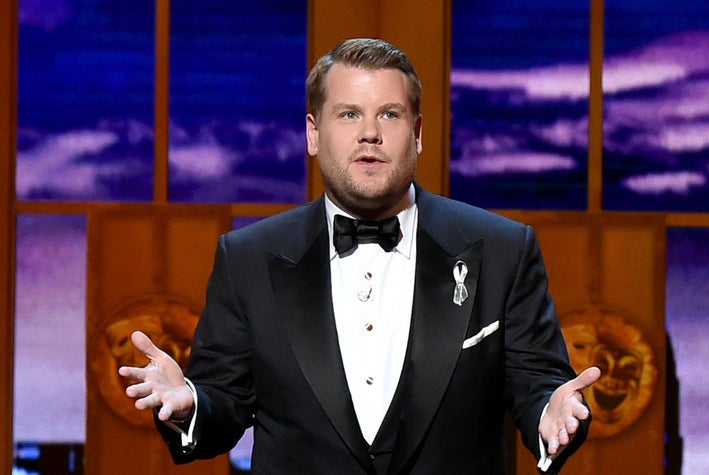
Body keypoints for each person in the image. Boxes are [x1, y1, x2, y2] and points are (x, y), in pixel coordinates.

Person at [119, 37, 600, 474]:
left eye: (389, 115)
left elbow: (538, 386)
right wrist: (190, 404)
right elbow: (224, 401)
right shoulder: (248, 257)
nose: (369, 133)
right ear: (312, 134)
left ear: (417, 134)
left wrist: (551, 416)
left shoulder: (502, 250)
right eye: (349, 114)